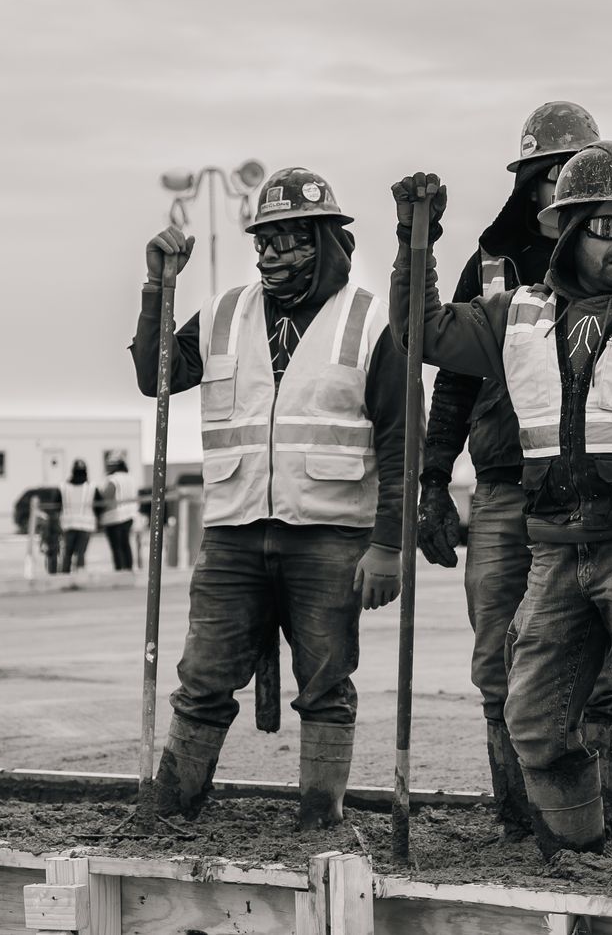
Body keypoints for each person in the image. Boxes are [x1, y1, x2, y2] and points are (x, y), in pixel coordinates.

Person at [389, 143, 612, 857]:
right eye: (609, 226)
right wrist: (415, 240)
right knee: (533, 719)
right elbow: (422, 334)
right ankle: (578, 853)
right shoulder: (517, 315)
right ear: (571, 227)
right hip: (555, 550)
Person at [131, 167, 408, 828]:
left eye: (289, 240)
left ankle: (320, 818)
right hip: (233, 538)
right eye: (265, 239)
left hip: (330, 538)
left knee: (325, 686)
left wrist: (389, 544)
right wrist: (157, 289)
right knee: (202, 679)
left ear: (324, 240)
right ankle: (172, 811)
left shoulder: (369, 323)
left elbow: (402, 442)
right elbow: (154, 376)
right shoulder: (227, 314)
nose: (272, 254)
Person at [416, 101, 612, 840]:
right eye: (552, 177)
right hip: (506, 486)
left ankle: (600, 824)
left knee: (597, 671)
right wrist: (433, 477)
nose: (562, 190)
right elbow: (453, 377)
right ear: (532, 183)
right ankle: (522, 819)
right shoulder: (494, 266)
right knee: (497, 663)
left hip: (593, 491)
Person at [100, 453, 139, 572]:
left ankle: (120, 571)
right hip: (129, 515)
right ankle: (129, 569)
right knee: (126, 544)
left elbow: (106, 498)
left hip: (114, 517)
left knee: (117, 547)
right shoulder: (130, 478)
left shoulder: (113, 479)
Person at [59, 459, 96, 573]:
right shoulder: (92, 487)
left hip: (68, 525)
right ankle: (80, 577)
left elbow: (57, 503)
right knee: (80, 553)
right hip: (85, 525)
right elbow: (98, 506)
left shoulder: (63, 487)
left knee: (67, 553)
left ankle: (65, 577)